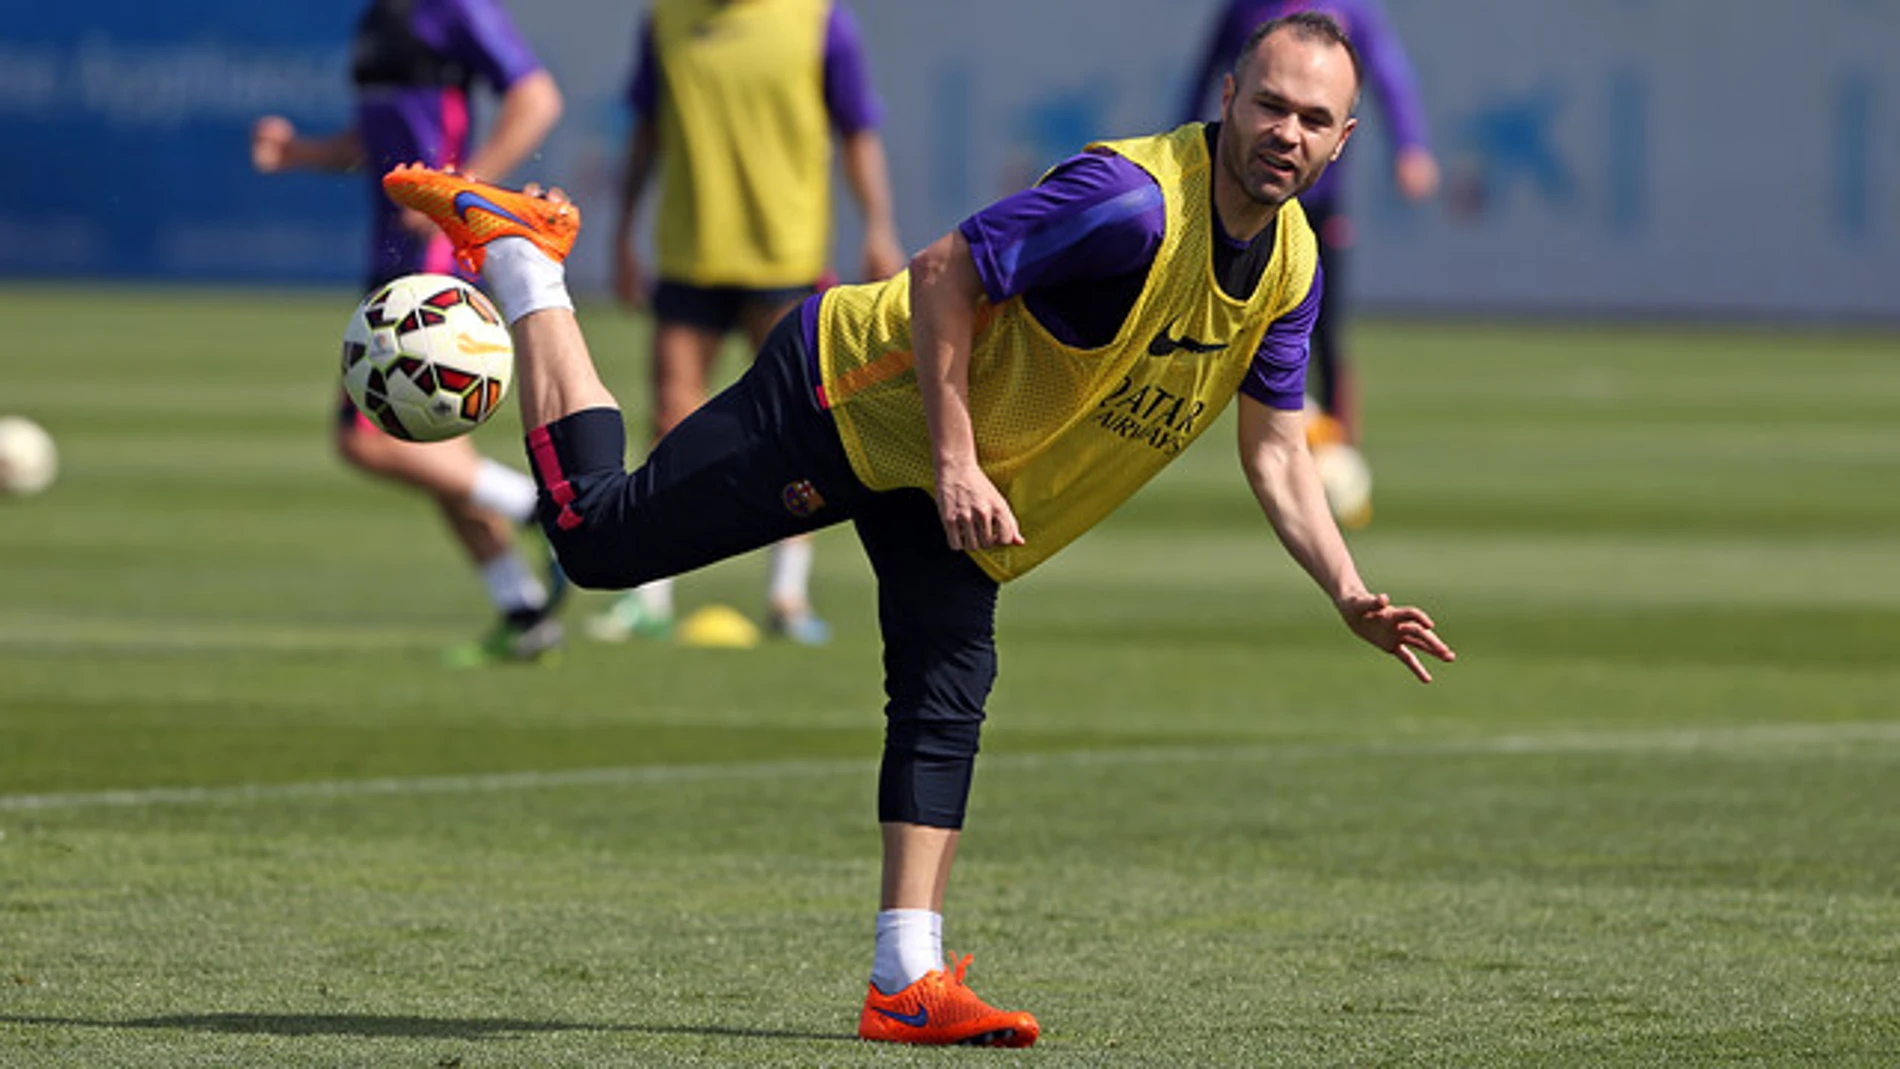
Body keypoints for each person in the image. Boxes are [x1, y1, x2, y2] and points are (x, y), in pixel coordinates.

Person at [384, 12, 1454, 1045]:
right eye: (1270, 104)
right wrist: (952, 458)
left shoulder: (1292, 265)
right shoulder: (1128, 203)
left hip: (952, 480)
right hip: (849, 398)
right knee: (598, 541)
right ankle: (529, 264)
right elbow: (943, 273)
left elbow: (1273, 450)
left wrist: (1346, 589)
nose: (1287, 133)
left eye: (1315, 120)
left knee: (947, 693)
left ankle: (906, 978)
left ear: (1344, 139)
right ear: (1227, 93)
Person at [251, 0, 569, 665]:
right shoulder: (376, 16)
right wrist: (300, 153)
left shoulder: (454, 7)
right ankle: (523, 609)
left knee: (363, 439)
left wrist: (464, 191)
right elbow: (383, 140)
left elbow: (537, 98)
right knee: (432, 442)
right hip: (392, 251)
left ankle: (541, 510)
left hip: (435, 256)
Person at [589, 0, 906, 645]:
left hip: (784, 252)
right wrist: (622, 232)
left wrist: (878, 226)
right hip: (690, 249)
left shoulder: (818, 20)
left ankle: (787, 594)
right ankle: (650, 594)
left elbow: (857, 131)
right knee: (671, 421)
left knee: (799, 429)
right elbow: (647, 131)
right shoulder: (667, 19)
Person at [1182, 0, 1438, 455]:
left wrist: (1410, 145)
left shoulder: (1351, 9)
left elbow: (1390, 77)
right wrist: (1183, 146)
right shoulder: (1244, 9)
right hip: (1242, 193)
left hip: (1317, 201)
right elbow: (1204, 75)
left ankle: (1340, 446)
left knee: (1325, 324)